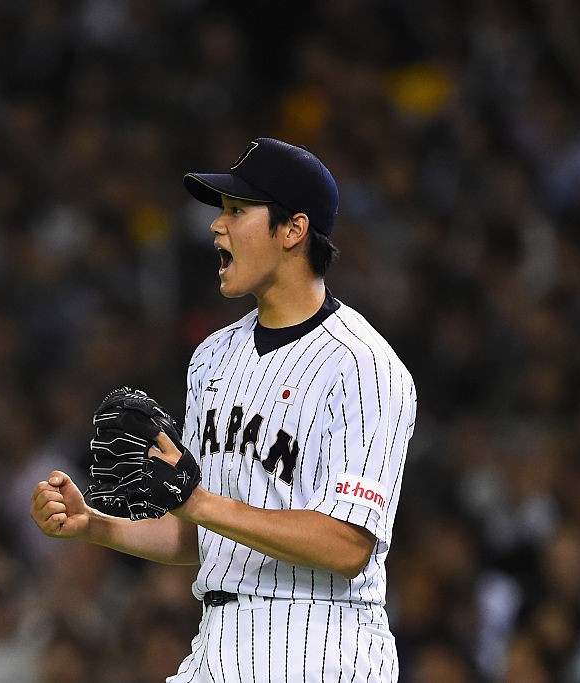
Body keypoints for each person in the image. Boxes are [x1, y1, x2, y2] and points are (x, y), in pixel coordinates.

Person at [31, 137, 416, 681]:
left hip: (321, 644)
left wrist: (200, 503)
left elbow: (347, 543)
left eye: (237, 210)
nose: (217, 225)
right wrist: (97, 525)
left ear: (293, 230)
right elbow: (199, 532)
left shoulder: (361, 365)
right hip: (216, 641)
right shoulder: (212, 357)